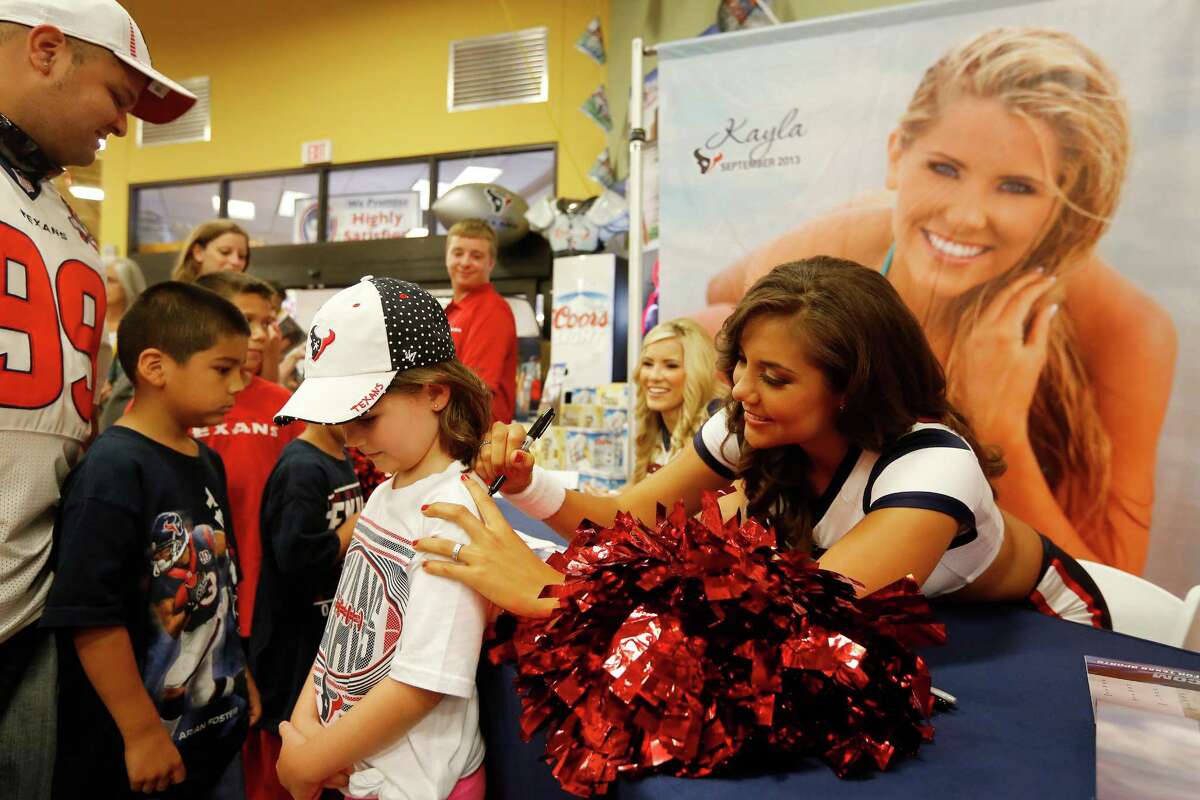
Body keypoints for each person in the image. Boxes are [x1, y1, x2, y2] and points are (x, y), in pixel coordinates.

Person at [417, 258, 1111, 634]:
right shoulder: (751, 421)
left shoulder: (933, 466)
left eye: (775, 376)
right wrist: (524, 484)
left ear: (852, 386)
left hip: (1030, 626)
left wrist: (553, 593)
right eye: (742, 363)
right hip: (921, 624)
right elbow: (627, 520)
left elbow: (804, 617)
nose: (743, 390)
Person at [700, 27, 1176, 574]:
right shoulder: (844, 244)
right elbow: (722, 301)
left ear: (1064, 206)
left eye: (1017, 187)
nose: (966, 216)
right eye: (944, 169)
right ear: (898, 152)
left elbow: (1114, 583)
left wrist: (1001, 432)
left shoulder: (1125, 329)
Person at [0, 2, 196, 795]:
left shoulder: (71, 224)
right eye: (118, 96)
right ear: (46, 50)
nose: (123, 125)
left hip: (29, 617)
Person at [272, 277, 493, 800]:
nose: (351, 438)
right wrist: (305, 731)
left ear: (437, 392)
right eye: (339, 420)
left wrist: (307, 762)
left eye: (367, 417)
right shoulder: (383, 497)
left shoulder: (455, 512)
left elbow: (423, 683)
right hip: (360, 770)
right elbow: (342, 631)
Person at [41, 282, 258, 797]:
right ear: (156, 367)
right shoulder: (114, 470)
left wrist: (238, 676)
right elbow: (90, 616)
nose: (238, 386)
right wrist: (140, 732)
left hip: (211, 731)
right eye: (223, 369)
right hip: (139, 752)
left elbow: (221, 583)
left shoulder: (207, 461)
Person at [249, 420, 364, 800]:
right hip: (292, 655)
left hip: (323, 645)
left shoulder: (339, 455)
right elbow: (296, 559)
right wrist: (356, 526)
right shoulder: (301, 468)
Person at [444, 218, 518, 423]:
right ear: (447, 256)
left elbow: (474, 388)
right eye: (458, 253)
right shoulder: (454, 310)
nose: (465, 262)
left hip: (476, 438)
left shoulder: (492, 310)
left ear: (491, 263)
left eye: (476, 256)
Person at [634, 318, 724, 481]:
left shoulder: (718, 422)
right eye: (647, 364)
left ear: (697, 372)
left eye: (671, 366)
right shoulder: (654, 422)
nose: (653, 376)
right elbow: (638, 491)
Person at [98, 256, 147, 431]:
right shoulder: (86, 323)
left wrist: (117, 390)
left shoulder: (142, 329)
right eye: (100, 277)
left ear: (127, 285)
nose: (102, 283)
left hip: (123, 416)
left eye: (110, 280)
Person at [172, 219, 251, 281]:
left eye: (242, 256)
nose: (235, 262)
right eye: (225, 252)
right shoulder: (172, 299)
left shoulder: (251, 298)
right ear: (198, 252)